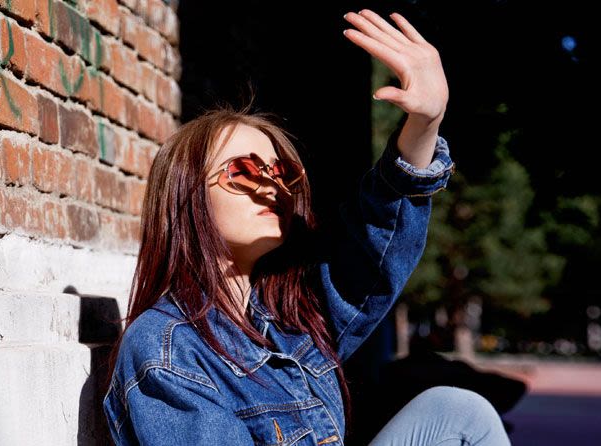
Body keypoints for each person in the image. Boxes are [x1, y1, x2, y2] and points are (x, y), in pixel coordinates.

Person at [102, 8, 511, 446]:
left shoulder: (293, 317)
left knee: (457, 412)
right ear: (186, 195)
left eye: (282, 174)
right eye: (244, 171)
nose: (272, 186)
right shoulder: (166, 350)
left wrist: (424, 125)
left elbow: (377, 244)